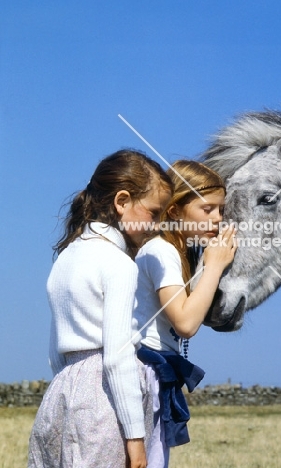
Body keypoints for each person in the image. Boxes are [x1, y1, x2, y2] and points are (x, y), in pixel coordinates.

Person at [28, 149, 173, 468]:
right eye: (153, 212)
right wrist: (135, 438)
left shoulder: (65, 258)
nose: (157, 224)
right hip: (104, 402)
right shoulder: (118, 264)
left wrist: (70, 387)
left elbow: (55, 353)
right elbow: (119, 355)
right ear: (122, 202)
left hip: (61, 394)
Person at [133, 160, 237, 468]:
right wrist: (214, 266)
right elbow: (186, 322)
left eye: (221, 211)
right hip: (147, 373)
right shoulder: (161, 250)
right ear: (175, 211)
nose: (217, 219)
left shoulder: (166, 250)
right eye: (207, 210)